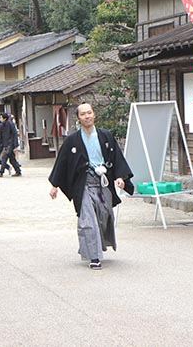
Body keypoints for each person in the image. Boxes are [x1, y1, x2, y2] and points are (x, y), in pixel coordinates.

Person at [48, 103, 134, 269]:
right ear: (78, 118)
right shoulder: (72, 140)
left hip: (103, 183)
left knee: (104, 217)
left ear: (94, 115)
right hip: (84, 184)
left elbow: (117, 159)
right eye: (83, 114)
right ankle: (94, 256)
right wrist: (55, 185)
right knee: (87, 220)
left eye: (89, 113)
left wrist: (120, 177)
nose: (87, 116)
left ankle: (97, 245)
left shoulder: (106, 136)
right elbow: (62, 163)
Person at [0, 113, 22, 177]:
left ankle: (1, 172)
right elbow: (0, 135)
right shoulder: (1, 125)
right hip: (6, 143)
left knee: (4, 156)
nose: (0, 119)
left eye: (1, 118)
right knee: (12, 159)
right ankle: (18, 171)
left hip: (11, 143)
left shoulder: (10, 124)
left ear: (4, 118)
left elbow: (15, 134)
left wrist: (16, 144)